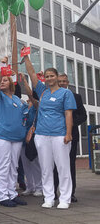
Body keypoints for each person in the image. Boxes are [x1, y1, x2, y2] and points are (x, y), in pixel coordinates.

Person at [24, 53, 77, 209]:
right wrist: (26, 58)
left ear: (56, 77)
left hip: (59, 135)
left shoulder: (66, 93)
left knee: (63, 167)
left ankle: (65, 199)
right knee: (46, 168)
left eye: (51, 76)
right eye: (46, 76)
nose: (49, 78)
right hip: (41, 135)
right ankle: (49, 198)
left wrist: (68, 133)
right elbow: (32, 74)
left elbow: (68, 114)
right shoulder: (42, 91)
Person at [0, 66, 28, 207]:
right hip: (1, 136)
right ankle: (3, 195)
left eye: (5, 80)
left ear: (11, 83)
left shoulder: (18, 100)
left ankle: (12, 193)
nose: (2, 82)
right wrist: (1, 70)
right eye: (1, 80)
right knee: (2, 166)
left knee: (14, 166)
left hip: (16, 137)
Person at [54, 73, 87, 203]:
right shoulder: (51, 95)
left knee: (69, 164)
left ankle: (70, 193)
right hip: (55, 134)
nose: (62, 83)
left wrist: (70, 123)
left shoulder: (75, 97)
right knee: (54, 165)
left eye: (64, 81)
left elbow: (83, 116)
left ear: (68, 83)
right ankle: (53, 192)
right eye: (59, 81)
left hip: (71, 135)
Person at [19, 74, 42, 197]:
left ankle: (39, 187)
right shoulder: (23, 106)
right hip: (23, 140)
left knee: (35, 164)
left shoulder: (37, 106)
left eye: (31, 97)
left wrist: (24, 82)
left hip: (33, 139)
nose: (29, 99)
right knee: (26, 164)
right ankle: (30, 186)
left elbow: (30, 94)